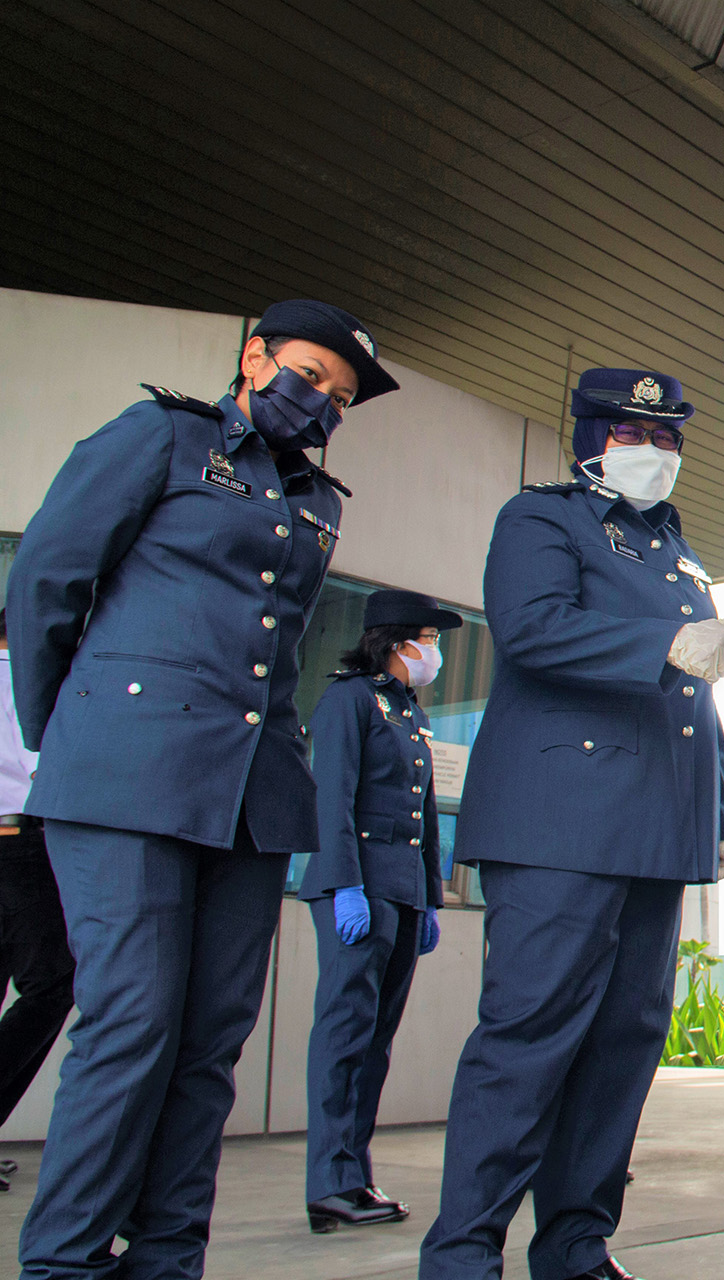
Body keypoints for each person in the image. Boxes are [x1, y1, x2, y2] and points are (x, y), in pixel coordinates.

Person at [5, 299, 397, 1280]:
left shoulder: (322, 500)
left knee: (211, 1038)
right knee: (132, 1017)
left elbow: (284, 649)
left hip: (252, 795)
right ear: (254, 356)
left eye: (341, 399)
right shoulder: (161, 438)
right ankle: (65, 1260)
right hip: (124, 774)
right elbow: (48, 580)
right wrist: (79, 736)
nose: (322, 405)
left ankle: (168, 1253)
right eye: (310, 376)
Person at [419, 367, 724, 1280]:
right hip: (561, 821)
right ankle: (461, 1257)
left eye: (671, 438)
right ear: (593, 437)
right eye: (638, 434)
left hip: (655, 830)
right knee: (529, 1037)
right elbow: (529, 629)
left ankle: (573, 1245)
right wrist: (660, 644)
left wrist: (716, 813)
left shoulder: (680, 554)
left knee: (624, 1042)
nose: (657, 452)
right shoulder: (542, 518)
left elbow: (696, 695)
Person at [300, 589, 464, 1233]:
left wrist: (429, 896)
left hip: (399, 892)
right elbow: (331, 798)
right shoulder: (350, 701)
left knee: (375, 1041)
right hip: (357, 888)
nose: (436, 651)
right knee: (344, 1033)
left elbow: (423, 820)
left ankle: (353, 1175)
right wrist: (343, 884)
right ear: (397, 642)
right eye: (430, 637)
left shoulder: (408, 713)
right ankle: (329, 1181)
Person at [0, 607, 73, 1186]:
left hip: (23, 844)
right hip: (23, 846)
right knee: (53, 985)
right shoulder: (30, 680)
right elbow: (40, 765)